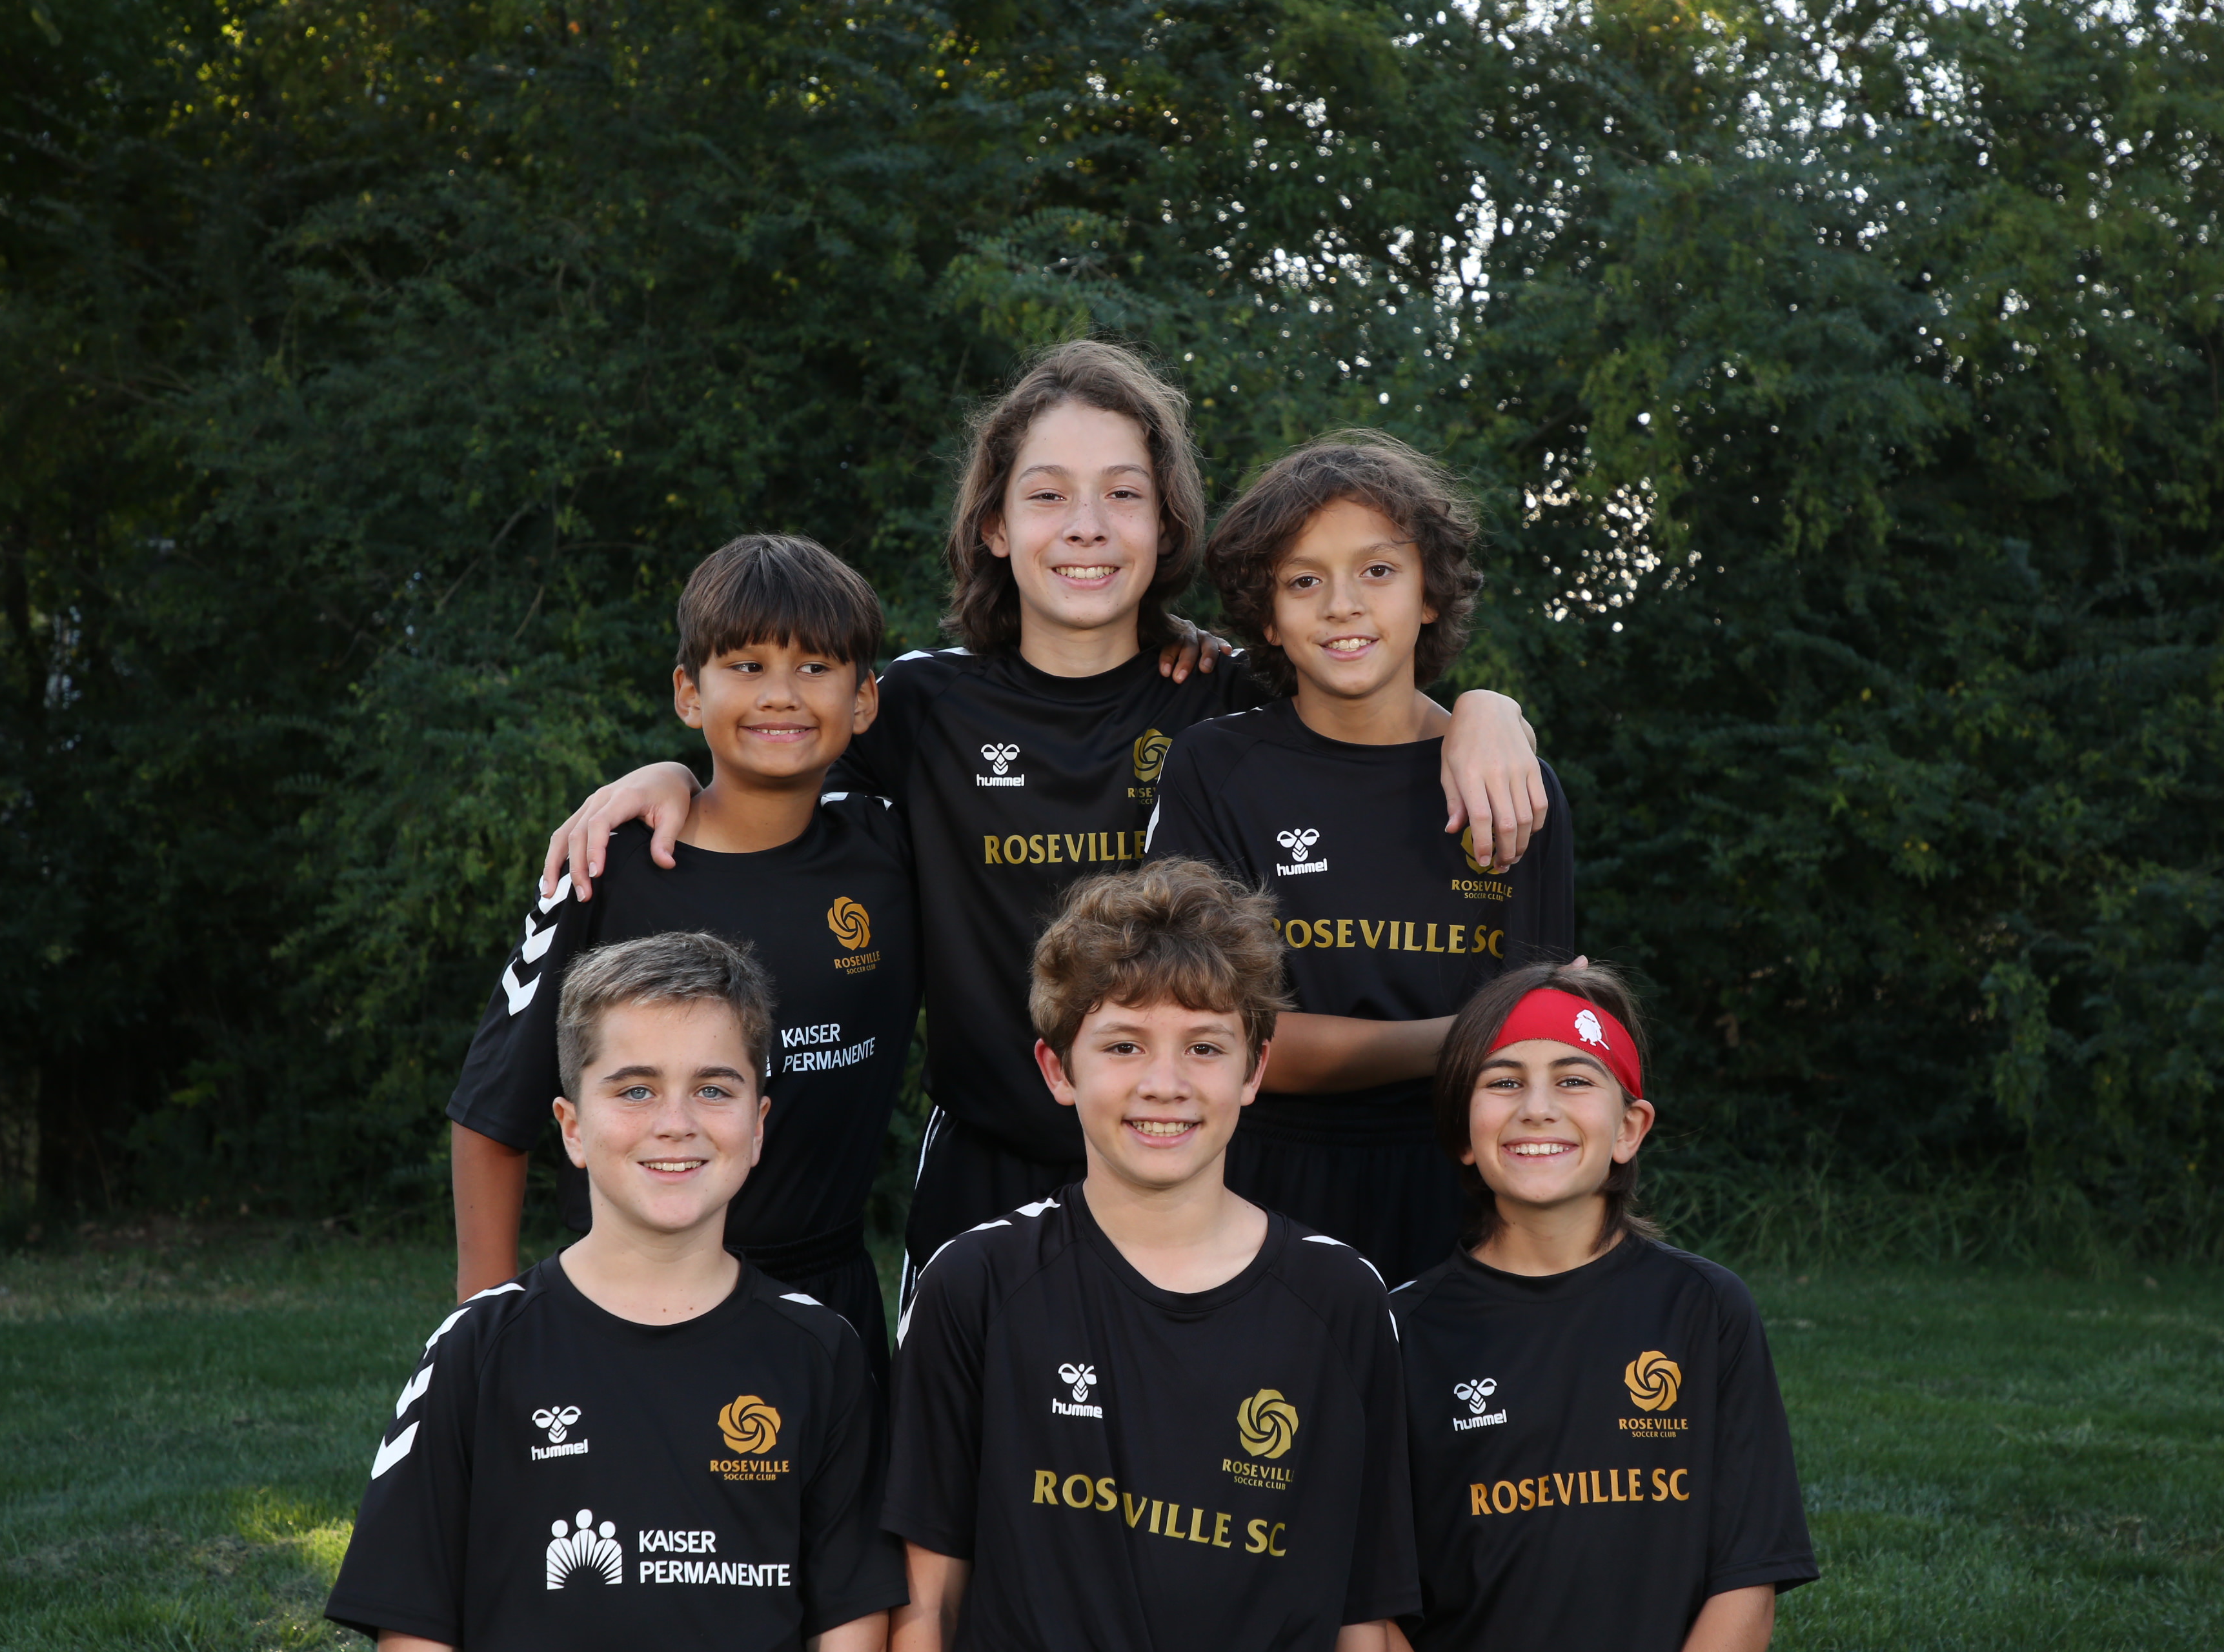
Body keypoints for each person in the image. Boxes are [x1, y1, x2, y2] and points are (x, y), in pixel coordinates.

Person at [538, 341, 1549, 1320]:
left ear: (1166, 525)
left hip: (1192, 1165)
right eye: (1049, 495)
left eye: (1123, 494)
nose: (1087, 527)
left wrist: (1486, 713)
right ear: (994, 525)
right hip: (987, 1171)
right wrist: (667, 774)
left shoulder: (1224, 701)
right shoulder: (921, 708)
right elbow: (771, 751)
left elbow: (1371, 709)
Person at [882, 860, 1416, 1651]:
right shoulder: (975, 1284)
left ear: (1254, 1070)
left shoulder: (1343, 1298)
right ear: (1059, 1069)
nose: (1165, 1084)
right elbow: (928, 1606)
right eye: (1125, 1045)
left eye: (1204, 1047)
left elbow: (1362, 1612)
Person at [326, 932, 902, 1652]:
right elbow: (413, 1626)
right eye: (636, 1090)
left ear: (758, 1127)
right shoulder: (476, 1348)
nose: (676, 1124)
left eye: (713, 1089)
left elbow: (851, 1622)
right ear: (572, 1128)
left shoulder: (822, 1353)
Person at [447, 533, 918, 1380]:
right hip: (630, 1298)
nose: (781, 694)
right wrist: (482, 1329)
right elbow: (493, 1110)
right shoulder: (606, 865)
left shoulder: (894, 851)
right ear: (688, 694)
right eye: (746, 666)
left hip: (827, 1300)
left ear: (864, 700)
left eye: (815, 667)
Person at [1147, 432, 1575, 1285]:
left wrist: (1490, 707)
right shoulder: (1216, 770)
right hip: (1261, 1187)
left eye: (1378, 570)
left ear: (1430, 594)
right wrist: (1462, 1039)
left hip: (1464, 1187)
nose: (1343, 604)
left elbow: (1542, 1046)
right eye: (1305, 581)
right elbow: (1212, 1039)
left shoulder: (1512, 783)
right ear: (1268, 617)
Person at [1388, 963, 1818, 1652]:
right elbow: (1373, 1598)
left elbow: (1748, 1578)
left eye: (1574, 1080)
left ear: (1629, 1128)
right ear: (1462, 1132)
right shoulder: (1400, 1331)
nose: (1537, 1108)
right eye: (1504, 1082)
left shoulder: (1705, 1311)